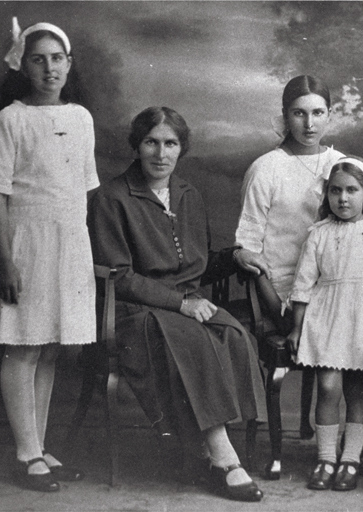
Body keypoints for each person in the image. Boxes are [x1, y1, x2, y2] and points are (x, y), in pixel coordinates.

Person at [87, 107, 266, 502]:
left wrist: (235, 257)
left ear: (181, 149)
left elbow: (194, 265)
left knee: (233, 334)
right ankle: (223, 457)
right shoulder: (111, 198)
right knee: (191, 339)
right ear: (136, 146)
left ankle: (196, 449)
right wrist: (179, 303)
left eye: (170, 143)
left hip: (184, 303)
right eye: (151, 142)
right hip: (132, 310)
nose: (160, 153)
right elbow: (120, 276)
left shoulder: (188, 195)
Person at [0, 17, 94, 493]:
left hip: (68, 244)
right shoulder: (10, 119)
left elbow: (82, 194)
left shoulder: (80, 118)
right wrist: (5, 261)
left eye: (57, 59)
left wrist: (83, 257)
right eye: (38, 60)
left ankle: (40, 447)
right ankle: (26, 453)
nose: (49, 69)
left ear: (69, 64)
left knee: (47, 349)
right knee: (22, 346)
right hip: (23, 244)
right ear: (23, 66)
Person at [233, 75, 345, 448]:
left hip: (334, 289)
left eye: (317, 113)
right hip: (283, 294)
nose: (309, 124)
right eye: (299, 113)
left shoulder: (342, 166)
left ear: (330, 115)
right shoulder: (266, 168)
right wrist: (272, 301)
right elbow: (248, 246)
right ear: (285, 116)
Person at [285, 157, 363, 492]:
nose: (343, 198)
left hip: (362, 319)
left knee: (358, 391)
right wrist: (296, 328)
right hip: (325, 318)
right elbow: (303, 284)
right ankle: (326, 457)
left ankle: (350, 458)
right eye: (336, 191)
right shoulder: (318, 235)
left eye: (352, 190)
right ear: (327, 195)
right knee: (328, 387)